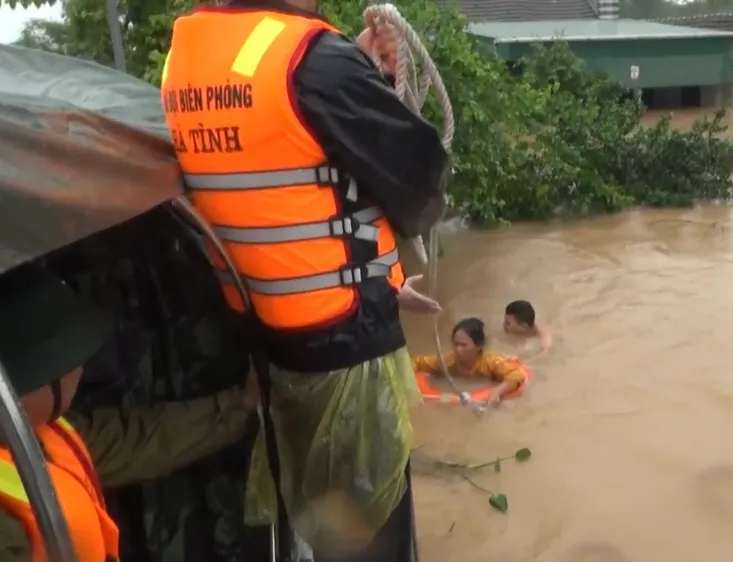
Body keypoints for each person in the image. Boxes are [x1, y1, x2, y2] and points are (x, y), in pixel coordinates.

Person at [160, 0, 449, 557]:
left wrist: (366, 76)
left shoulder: (185, 61)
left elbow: (278, 157)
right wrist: (368, 82)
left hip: (268, 352)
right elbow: (421, 184)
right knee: (373, 534)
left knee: (311, 519)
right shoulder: (314, 60)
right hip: (347, 353)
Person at [0, 262, 258, 561]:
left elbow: (137, 439)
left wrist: (241, 406)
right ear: (31, 379)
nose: (80, 370)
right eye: (70, 359)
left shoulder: (41, 434)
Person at [412, 318, 527, 406]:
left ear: (478, 346)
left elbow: (517, 376)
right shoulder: (447, 361)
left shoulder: (490, 362)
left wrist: (497, 392)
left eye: (463, 345)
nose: (458, 349)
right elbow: (417, 363)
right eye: (455, 344)